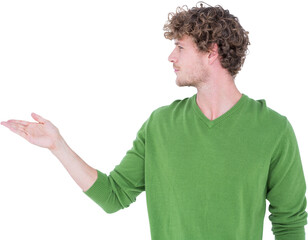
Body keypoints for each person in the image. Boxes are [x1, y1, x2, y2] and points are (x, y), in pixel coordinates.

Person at [1, 2, 307, 240]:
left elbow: (290, 223)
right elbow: (113, 196)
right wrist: (58, 146)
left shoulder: (273, 130)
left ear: (211, 53)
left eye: (181, 47)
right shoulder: (161, 124)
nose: (171, 57)